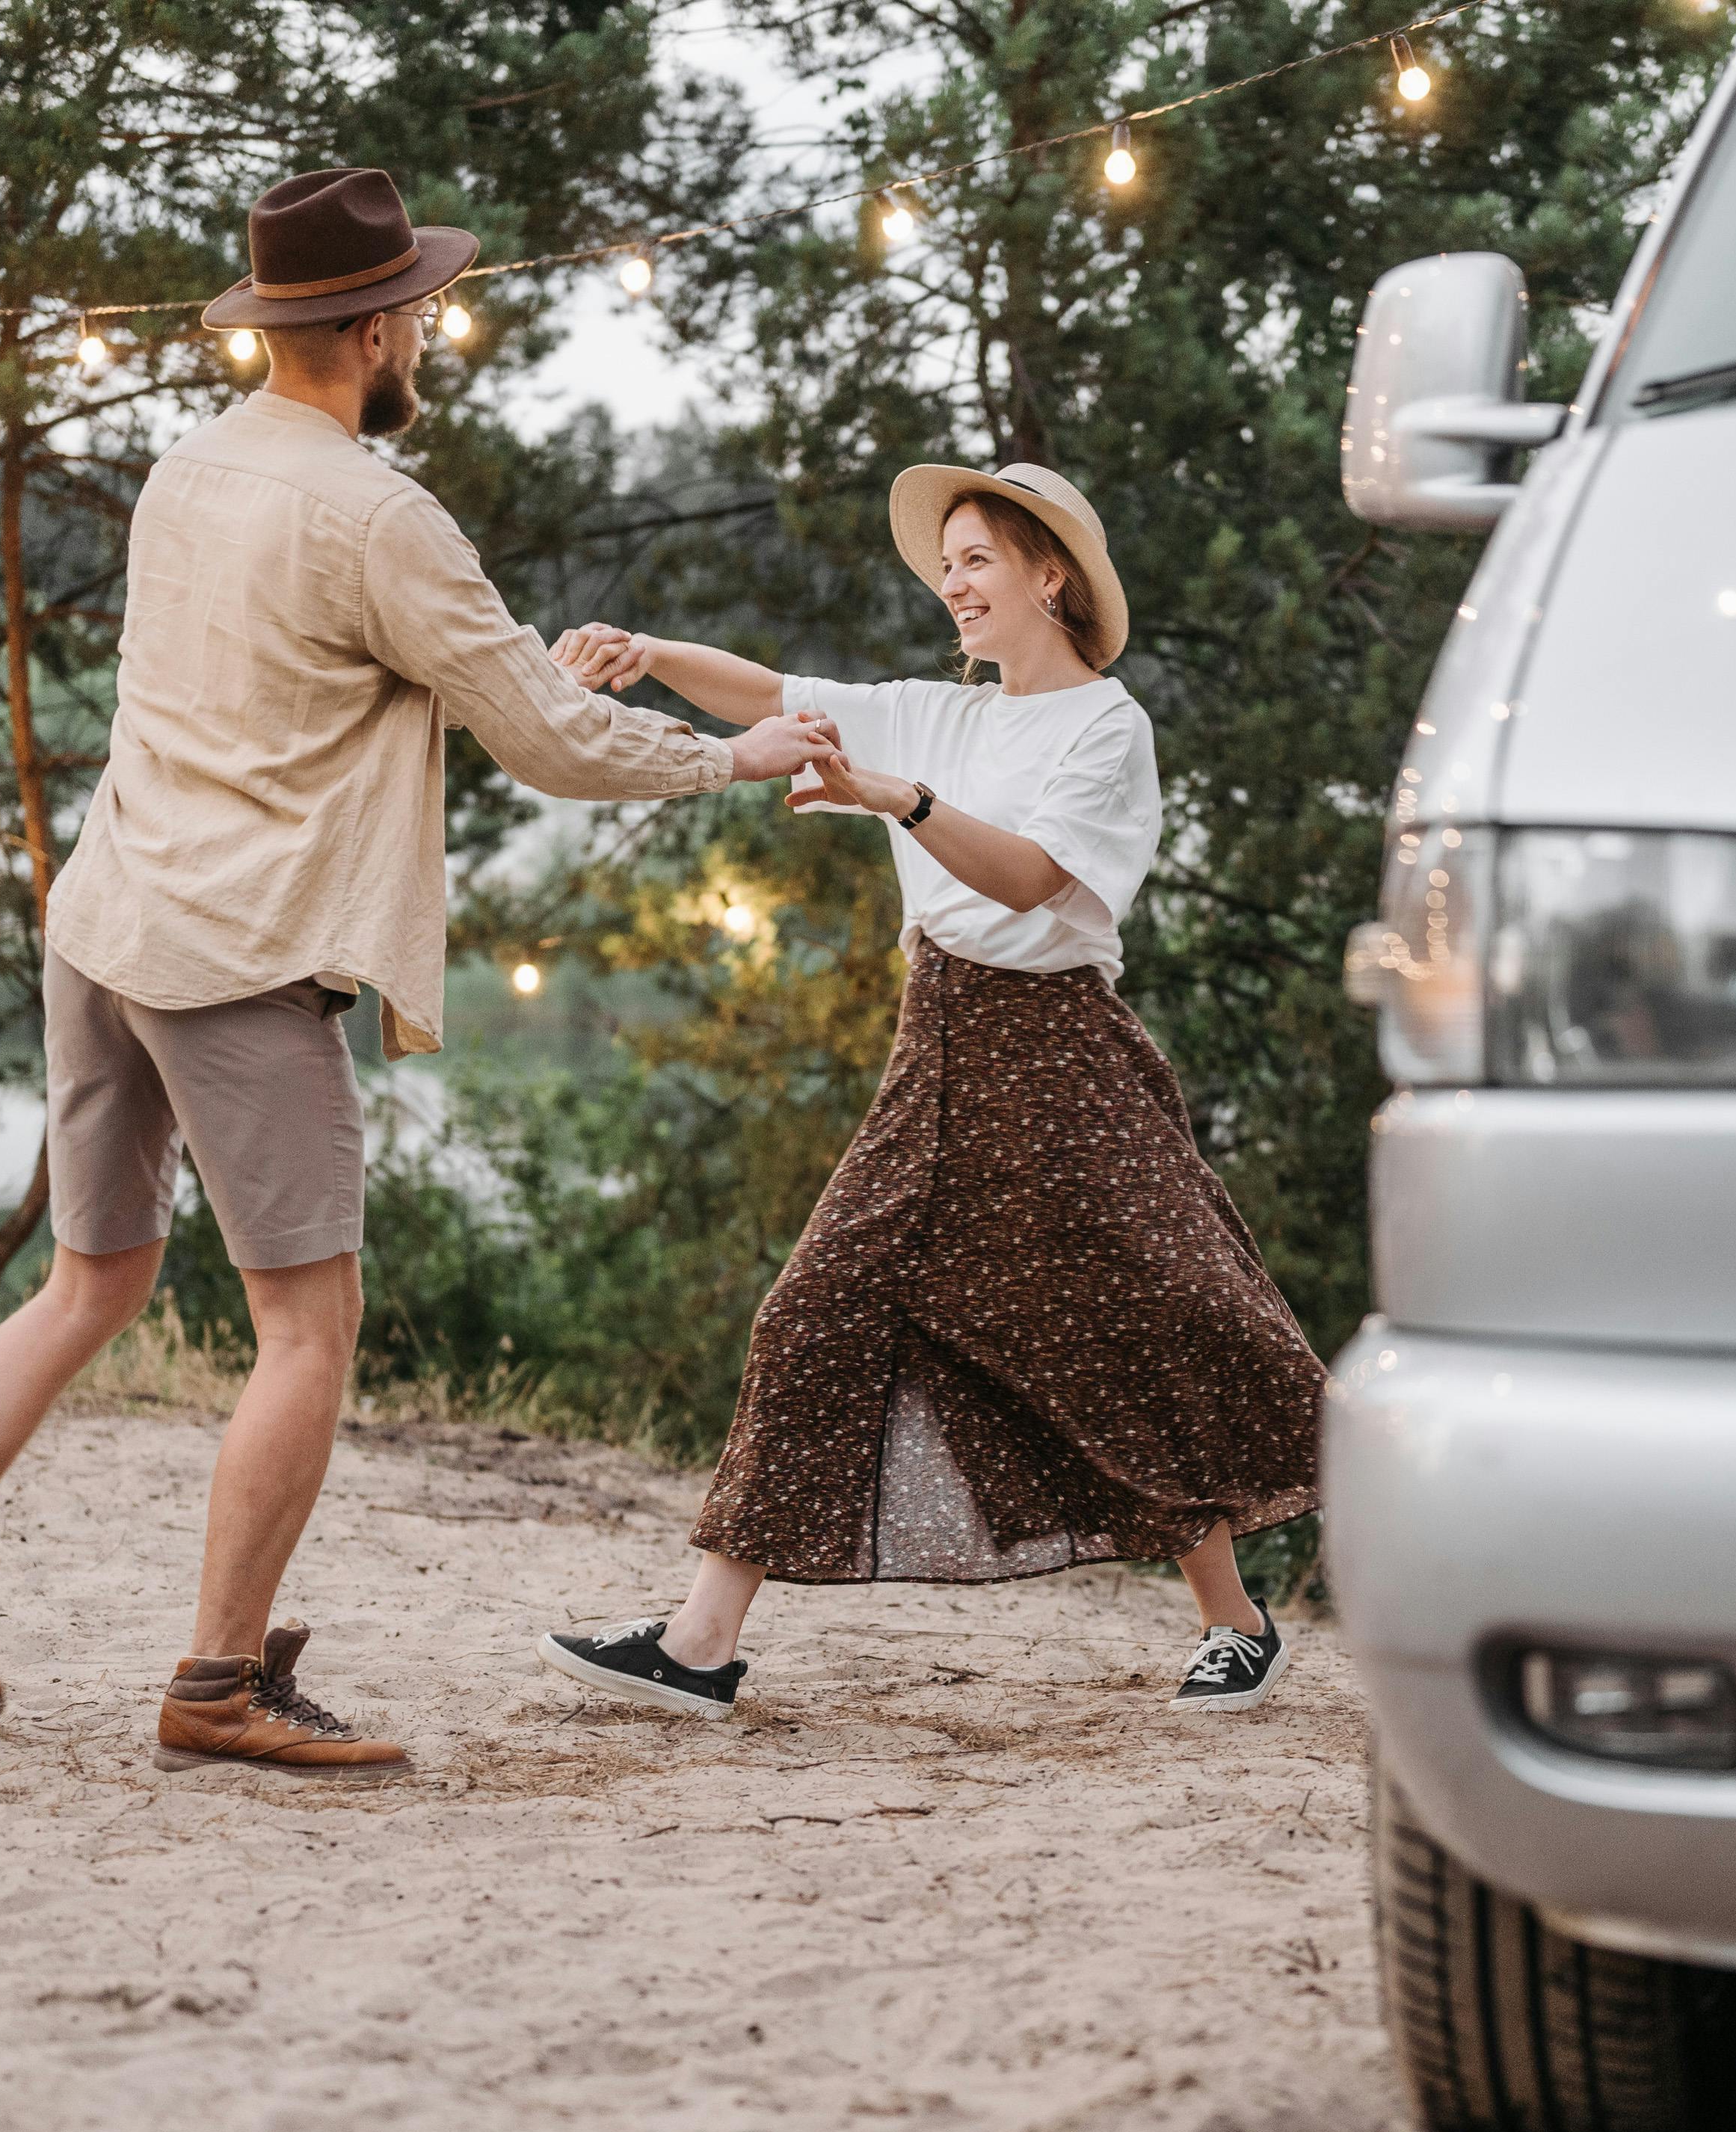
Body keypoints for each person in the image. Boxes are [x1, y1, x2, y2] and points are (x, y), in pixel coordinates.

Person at [0, 168, 837, 1778]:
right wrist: (737, 753)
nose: (429, 324)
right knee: (309, 1328)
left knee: (91, 1283)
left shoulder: (184, 472)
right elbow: (554, 744)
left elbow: (326, 691)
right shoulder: (381, 514)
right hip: (239, 955)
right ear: (367, 327)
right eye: (416, 305)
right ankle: (218, 1682)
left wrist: (492, 686)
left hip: (111, 919)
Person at [532, 460, 1327, 1719]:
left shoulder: (1106, 728)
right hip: (942, 1040)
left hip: (1061, 1054)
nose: (950, 584)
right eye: (945, 564)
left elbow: (1027, 880)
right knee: (815, 1313)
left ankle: (1239, 1622)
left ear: (1047, 574)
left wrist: (897, 798)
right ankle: (699, 1646)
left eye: (974, 561)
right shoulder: (933, 709)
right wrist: (649, 648)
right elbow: (775, 692)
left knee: (1129, 1328)